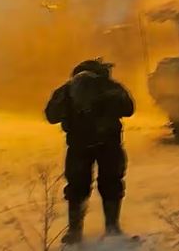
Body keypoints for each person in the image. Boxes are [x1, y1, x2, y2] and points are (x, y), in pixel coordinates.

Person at [45, 58, 135, 244]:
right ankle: (112, 228)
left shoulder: (67, 88)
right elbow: (129, 109)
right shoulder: (111, 86)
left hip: (78, 146)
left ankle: (74, 231)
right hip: (108, 144)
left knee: (77, 187)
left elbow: (51, 115)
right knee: (111, 184)